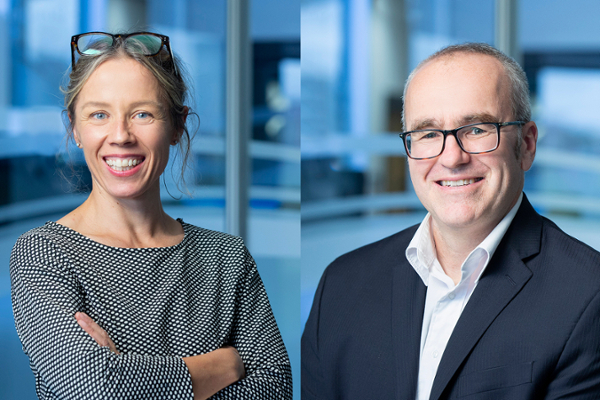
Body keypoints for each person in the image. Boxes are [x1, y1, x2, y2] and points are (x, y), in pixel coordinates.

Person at [301, 42, 600, 399]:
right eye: (428, 134)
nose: (452, 158)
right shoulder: (342, 284)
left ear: (527, 144)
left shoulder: (588, 294)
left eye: (476, 129)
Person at [10, 32, 292, 400]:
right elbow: (92, 386)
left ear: (176, 127)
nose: (120, 135)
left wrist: (126, 376)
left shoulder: (227, 257)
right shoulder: (43, 254)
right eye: (99, 114)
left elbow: (275, 387)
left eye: (142, 113)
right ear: (74, 129)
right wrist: (222, 367)